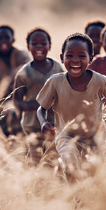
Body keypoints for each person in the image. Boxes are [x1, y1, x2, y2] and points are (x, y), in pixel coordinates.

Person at [36, 33, 106, 181]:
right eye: (69, 55)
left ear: (91, 58)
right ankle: (76, 199)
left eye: (82, 56)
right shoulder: (55, 82)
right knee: (70, 166)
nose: (75, 60)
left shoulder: (98, 80)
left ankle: (88, 200)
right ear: (61, 57)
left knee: (94, 175)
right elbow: (42, 108)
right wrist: (44, 122)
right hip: (66, 137)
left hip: (96, 138)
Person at [13, 28, 64, 164]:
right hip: (32, 127)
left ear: (50, 46)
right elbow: (17, 102)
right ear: (28, 47)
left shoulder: (58, 68)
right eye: (34, 43)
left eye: (43, 43)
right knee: (35, 163)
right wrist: (41, 105)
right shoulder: (23, 73)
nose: (39, 47)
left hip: (55, 126)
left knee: (53, 162)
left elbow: (66, 93)